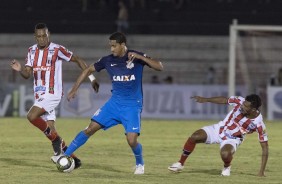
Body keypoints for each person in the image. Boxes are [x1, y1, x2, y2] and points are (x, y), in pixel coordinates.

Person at [55, 32, 163, 174]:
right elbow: (87, 70)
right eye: (110, 46)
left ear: (123, 45)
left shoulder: (136, 56)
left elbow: (159, 66)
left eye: (114, 46)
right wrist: (74, 89)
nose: (111, 49)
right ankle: (65, 155)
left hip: (132, 106)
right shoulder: (107, 60)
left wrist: (140, 57)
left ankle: (140, 163)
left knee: (131, 140)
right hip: (114, 104)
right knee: (90, 129)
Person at [10, 23, 99, 169]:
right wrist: (20, 69)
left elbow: (77, 59)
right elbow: (27, 74)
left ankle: (56, 143)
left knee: (31, 116)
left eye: (44, 35)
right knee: (51, 130)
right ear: (35, 37)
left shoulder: (57, 49)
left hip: (53, 93)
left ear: (48, 34)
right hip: (39, 96)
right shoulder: (31, 51)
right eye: (38, 36)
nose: (42, 39)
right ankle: (74, 160)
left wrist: (92, 79)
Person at [168, 94, 268, 177]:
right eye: (243, 104)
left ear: (254, 109)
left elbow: (265, 148)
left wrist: (261, 171)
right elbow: (224, 100)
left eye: (246, 106)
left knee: (225, 154)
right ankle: (180, 163)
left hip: (233, 139)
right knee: (195, 136)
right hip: (219, 128)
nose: (242, 106)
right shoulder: (239, 101)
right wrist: (206, 99)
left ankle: (227, 166)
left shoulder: (258, 124)